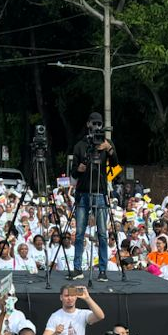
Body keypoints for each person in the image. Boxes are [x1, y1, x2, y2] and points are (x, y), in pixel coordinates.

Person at [70, 116, 117, 278]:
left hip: (100, 192)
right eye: (94, 123)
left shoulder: (106, 143)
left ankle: (103, 270)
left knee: (102, 233)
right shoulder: (80, 145)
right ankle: (77, 268)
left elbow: (116, 165)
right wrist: (79, 169)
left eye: (99, 123)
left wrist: (109, 149)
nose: (96, 126)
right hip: (83, 192)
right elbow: (73, 172)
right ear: (88, 124)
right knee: (80, 233)